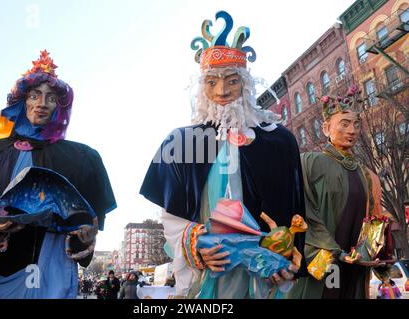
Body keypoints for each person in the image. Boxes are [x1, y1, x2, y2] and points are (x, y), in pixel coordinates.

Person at [140, 11, 306, 299]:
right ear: (201, 88)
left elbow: (295, 207)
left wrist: (288, 254)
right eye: (212, 82)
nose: (222, 91)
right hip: (209, 270)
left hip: (262, 273)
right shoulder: (184, 141)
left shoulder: (278, 140)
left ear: (245, 84)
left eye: (232, 81)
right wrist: (195, 245)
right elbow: (172, 214)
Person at [0, 50, 116, 299]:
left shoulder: (82, 158)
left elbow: (85, 229)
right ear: (22, 101)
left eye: (51, 98)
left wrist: (83, 238)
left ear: (59, 107)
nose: (42, 104)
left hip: (50, 274)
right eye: (35, 95)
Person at [288, 87, 393, 299]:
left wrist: (373, 255)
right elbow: (301, 212)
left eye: (356, 124)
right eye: (344, 124)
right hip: (320, 266)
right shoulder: (309, 162)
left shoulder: (369, 175)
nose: (352, 130)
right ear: (326, 128)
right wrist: (335, 252)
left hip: (355, 271)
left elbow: (375, 222)